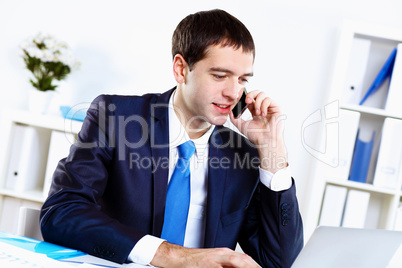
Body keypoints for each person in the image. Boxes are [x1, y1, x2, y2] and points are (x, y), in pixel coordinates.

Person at [40, 9, 303, 268]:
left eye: (243, 79)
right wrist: (172, 255)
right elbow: (61, 213)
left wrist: (273, 155)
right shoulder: (116, 118)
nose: (234, 93)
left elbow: (278, 261)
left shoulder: (242, 154)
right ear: (181, 69)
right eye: (220, 76)